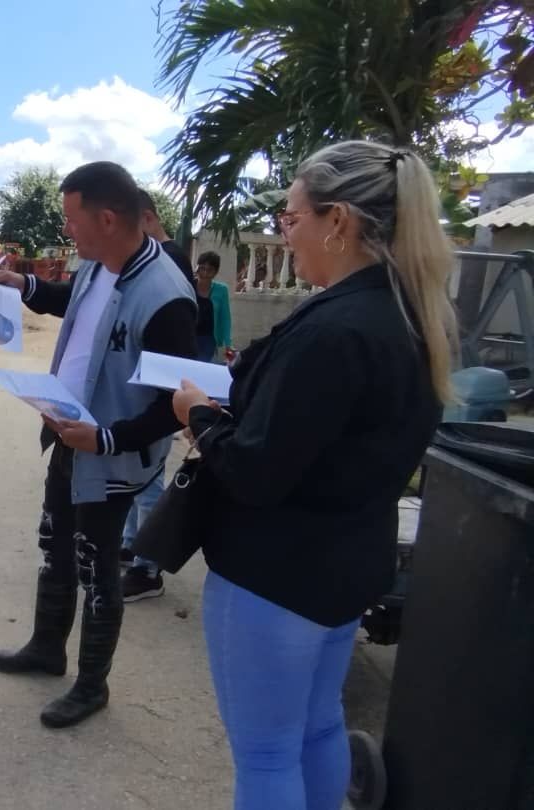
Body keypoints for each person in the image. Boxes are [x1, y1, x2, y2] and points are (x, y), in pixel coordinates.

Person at [171, 141, 455, 810]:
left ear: (339, 221)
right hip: (345, 563)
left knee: (267, 753)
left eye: (291, 219)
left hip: (275, 573)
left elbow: (256, 471)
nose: (284, 235)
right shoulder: (412, 316)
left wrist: (199, 416)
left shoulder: (335, 329)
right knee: (318, 726)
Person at [0, 162, 197, 728]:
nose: (66, 230)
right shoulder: (97, 265)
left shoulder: (166, 296)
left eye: (71, 219)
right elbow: (76, 302)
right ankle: (46, 647)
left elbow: (175, 404)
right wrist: (27, 287)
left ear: (106, 219)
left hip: (111, 457)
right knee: (54, 543)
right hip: (69, 434)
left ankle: (90, 685)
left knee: (95, 565)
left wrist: (106, 438)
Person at [118, 188, 199, 602]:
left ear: (147, 219)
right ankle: (132, 545)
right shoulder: (160, 258)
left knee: (149, 481)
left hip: (161, 388)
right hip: (150, 381)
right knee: (138, 480)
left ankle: (148, 568)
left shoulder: (169, 260)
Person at [194, 251, 232, 362]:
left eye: (210, 270)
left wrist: (228, 344)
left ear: (215, 272)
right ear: (197, 268)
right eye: (202, 268)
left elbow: (225, 318)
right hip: (189, 337)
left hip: (208, 339)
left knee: (202, 366)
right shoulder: (189, 285)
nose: (205, 273)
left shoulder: (221, 290)